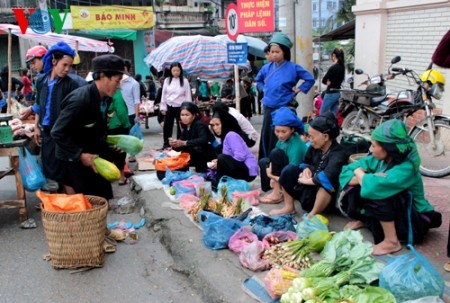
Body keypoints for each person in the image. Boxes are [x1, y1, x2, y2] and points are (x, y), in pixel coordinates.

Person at [339, 119, 442, 255]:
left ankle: (391, 241)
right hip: (397, 211)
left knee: (378, 192)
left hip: (415, 219)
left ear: (388, 148)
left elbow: (374, 187)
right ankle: (364, 219)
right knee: (359, 187)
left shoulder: (407, 168)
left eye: (374, 146)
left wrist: (359, 173)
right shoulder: (379, 159)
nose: (370, 149)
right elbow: (345, 171)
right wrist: (362, 179)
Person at [51, 54, 127, 200]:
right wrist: (80, 155)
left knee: (102, 199)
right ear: (103, 76)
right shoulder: (80, 99)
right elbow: (57, 132)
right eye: (117, 81)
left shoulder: (105, 99)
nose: (118, 86)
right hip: (73, 159)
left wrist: (110, 147)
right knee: (86, 206)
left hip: (92, 155)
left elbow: (94, 131)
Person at [274, 112, 348, 216]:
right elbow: (305, 162)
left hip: (323, 197)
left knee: (326, 186)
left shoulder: (339, 153)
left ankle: (312, 215)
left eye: (312, 137)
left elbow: (328, 176)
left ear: (325, 137)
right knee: (288, 171)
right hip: (309, 188)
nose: (309, 139)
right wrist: (306, 169)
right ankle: (289, 207)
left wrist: (307, 180)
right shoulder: (314, 148)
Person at [255, 32, 315, 160]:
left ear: (285, 52)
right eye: (272, 52)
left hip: (284, 108)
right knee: (268, 136)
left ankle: (284, 161)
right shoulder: (266, 68)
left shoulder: (293, 68)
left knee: (283, 137)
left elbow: (309, 79)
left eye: (277, 51)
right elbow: (258, 80)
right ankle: (267, 162)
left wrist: (299, 90)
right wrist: (263, 88)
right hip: (268, 107)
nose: (274, 54)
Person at [34, 42, 80, 194]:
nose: (67, 69)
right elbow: (38, 104)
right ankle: (57, 206)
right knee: (50, 170)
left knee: (65, 172)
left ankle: (72, 207)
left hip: (63, 134)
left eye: (70, 66)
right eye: (64, 65)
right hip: (47, 133)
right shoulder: (41, 81)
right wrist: (36, 126)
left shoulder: (70, 85)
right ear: (54, 61)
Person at [259, 107, 308, 204]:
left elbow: (291, 172)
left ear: (292, 129)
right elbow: (273, 161)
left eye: (283, 131)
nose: (280, 135)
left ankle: (278, 193)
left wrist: (271, 176)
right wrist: (271, 174)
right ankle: (272, 190)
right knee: (263, 162)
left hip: (297, 178)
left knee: (275, 153)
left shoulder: (296, 146)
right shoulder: (282, 140)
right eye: (277, 131)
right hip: (284, 170)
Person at [208, 107, 258, 190]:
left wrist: (221, 162)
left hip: (248, 171)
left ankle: (216, 184)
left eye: (218, 125)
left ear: (225, 124)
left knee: (221, 158)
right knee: (218, 156)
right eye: (213, 125)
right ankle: (217, 184)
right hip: (240, 167)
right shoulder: (225, 136)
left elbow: (240, 156)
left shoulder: (231, 135)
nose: (215, 128)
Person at [170, 102, 216, 173]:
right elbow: (182, 143)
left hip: (208, 154)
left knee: (195, 147)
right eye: (182, 115)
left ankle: (203, 170)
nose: (184, 117)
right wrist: (175, 144)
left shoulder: (199, 125)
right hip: (196, 154)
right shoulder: (186, 127)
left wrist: (184, 143)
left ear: (194, 115)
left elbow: (203, 140)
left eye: (187, 115)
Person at [160, 62, 192, 149]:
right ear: (171, 71)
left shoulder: (184, 81)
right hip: (170, 106)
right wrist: (163, 107)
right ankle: (166, 144)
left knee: (181, 126)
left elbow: (188, 95)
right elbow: (164, 94)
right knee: (167, 125)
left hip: (181, 107)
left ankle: (179, 144)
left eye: (177, 70)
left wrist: (188, 108)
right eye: (174, 71)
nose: (176, 72)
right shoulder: (167, 80)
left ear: (180, 71)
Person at [107, 89, 131, 186]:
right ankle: (121, 177)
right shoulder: (116, 92)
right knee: (120, 152)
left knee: (109, 152)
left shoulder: (100, 93)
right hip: (118, 126)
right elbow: (121, 111)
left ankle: (110, 176)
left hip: (107, 127)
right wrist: (127, 125)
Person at [320, 48, 345, 117]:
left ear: (334, 56)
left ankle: (320, 127)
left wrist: (327, 83)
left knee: (322, 113)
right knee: (334, 115)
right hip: (337, 93)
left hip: (330, 93)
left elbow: (324, 80)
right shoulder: (342, 67)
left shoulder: (333, 68)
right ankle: (334, 127)